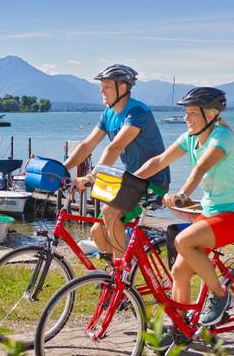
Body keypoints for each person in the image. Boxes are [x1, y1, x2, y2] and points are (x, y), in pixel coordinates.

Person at [134, 86, 234, 329]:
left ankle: (221, 296)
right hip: (213, 214)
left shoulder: (221, 137)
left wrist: (182, 194)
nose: (186, 118)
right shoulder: (190, 139)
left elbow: (200, 168)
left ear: (210, 115)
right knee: (179, 271)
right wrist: (128, 182)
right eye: (186, 113)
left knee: (183, 240)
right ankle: (181, 326)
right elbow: (159, 161)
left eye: (192, 113)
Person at [63, 64, 170, 260]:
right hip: (132, 182)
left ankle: (123, 275)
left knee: (110, 211)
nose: (101, 90)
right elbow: (87, 145)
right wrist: (63, 169)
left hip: (153, 182)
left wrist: (91, 176)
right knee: (97, 231)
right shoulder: (108, 114)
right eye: (101, 85)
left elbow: (115, 148)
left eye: (107, 86)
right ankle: (118, 280)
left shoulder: (137, 112)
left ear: (123, 88)